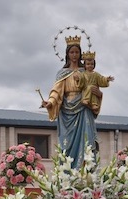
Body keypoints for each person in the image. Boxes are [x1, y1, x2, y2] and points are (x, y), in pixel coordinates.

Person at [42, 36, 98, 168]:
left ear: (81, 54)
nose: (74, 55)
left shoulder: (87, 72)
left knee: (87, 142)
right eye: (71, 52)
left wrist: (99, 94)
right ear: (67, 54)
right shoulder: (63, 73)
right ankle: (68, 174)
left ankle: (86, 173)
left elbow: (94, 88)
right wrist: (50, 103)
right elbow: (56, 91)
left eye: (77, 52)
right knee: (66, 146)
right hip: (66, 112)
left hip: (84, 108)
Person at [80, 51, 114, 117]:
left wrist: (106, 79)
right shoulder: (83, 74)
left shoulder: (96, 74)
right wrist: (78, 79)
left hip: (93, 90)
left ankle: (94, 104)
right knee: (90, 88)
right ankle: (86, 99)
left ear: (94, 65)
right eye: (88, 64)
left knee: (94, 90)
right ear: (85, 65)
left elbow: (101, 79)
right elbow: (81, 80)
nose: (90, 65)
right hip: (86, 89)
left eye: (92, 64)